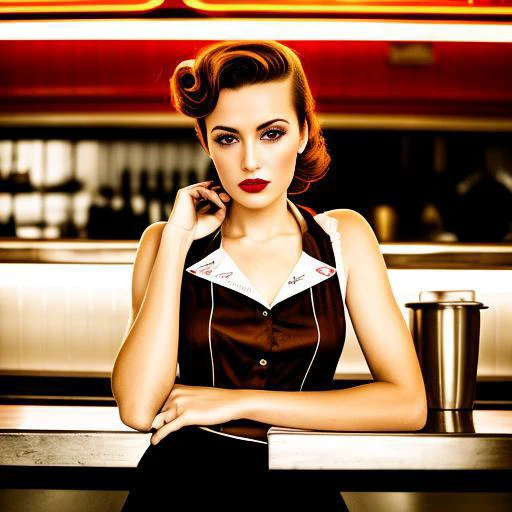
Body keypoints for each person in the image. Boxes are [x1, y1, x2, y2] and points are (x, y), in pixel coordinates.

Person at [111, 40, 428, 511]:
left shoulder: (345, 237)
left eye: (271, 133)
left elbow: (407, 405)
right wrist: (177, 239)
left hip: (304, 497)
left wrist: (237, 403)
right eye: (227, 137)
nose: (251, 161)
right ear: (205, 142)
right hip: (179, 496)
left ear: (303, 132)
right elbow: (138, 407)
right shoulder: (165, 241)